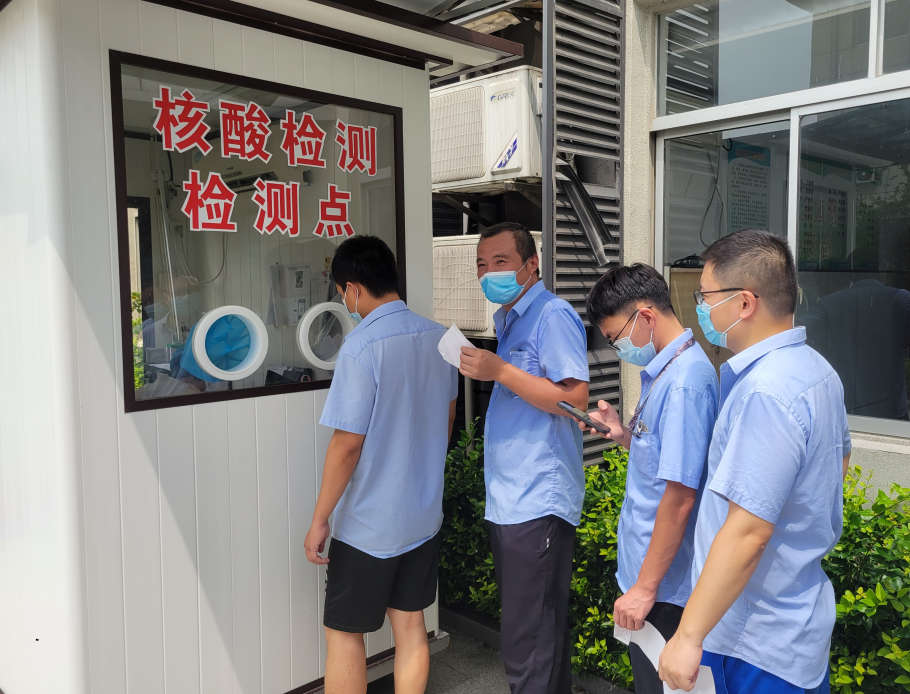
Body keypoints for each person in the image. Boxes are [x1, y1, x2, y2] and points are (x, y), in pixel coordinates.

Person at [657, 229, 852, 694]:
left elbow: (748, 533)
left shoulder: (766, 392)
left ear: (744, 302)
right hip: (794, 626)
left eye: (705, 296)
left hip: (752, 642)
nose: (700, 308)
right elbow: (840, 462)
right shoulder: (818, 370)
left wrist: (688, 636)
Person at [303, 236, 458, 694]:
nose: (344, 302)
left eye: (341, 293)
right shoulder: (440, 338)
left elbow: (347, 446)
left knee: (344, 634)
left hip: (370, 525)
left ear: (352, 289)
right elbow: (448, 418)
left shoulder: (361, 346)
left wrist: (320, 519)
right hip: (423, 516)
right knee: (410, 624)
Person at [458, 222, 589, 694]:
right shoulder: (509, 318)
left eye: (501, 262)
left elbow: (574, 399)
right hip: (513, 497)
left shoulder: (551, 315)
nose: (489, 273)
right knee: (538, 630)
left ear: (531, 265)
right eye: (481, 264)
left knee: (527, 640)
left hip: (537, 498)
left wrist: (499, 370)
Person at [580, 263, 718, 694]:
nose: (616, 347)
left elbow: (680, 497)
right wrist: (622, 434)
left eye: (615, 337)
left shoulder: (684, 384)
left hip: (664, 589)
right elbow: (664, 460)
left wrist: (645, 588)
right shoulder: (667, 371)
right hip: (649, 577)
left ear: (645, 316)